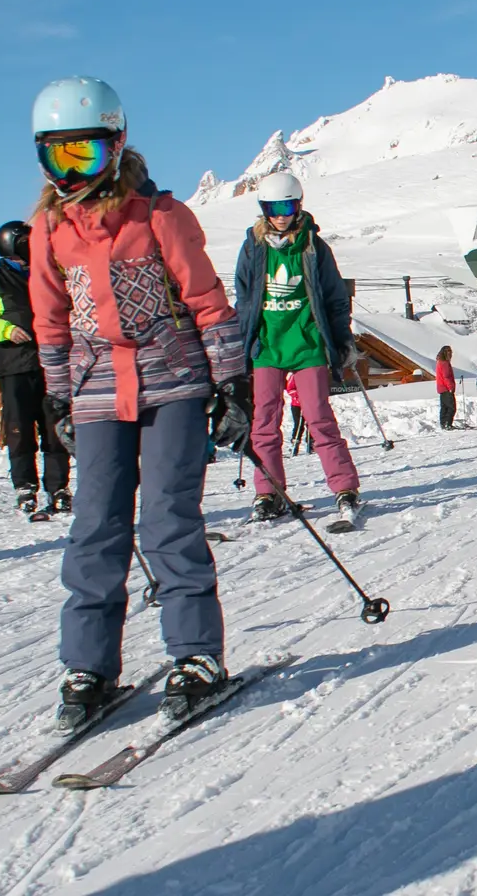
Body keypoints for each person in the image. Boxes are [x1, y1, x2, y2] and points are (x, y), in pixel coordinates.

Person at [26, 76, 250, 724]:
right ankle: (88, 667)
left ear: (116, 147)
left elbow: (209, 304)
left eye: (85, 155)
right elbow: (50, 324)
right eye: (57, 157)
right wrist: (58, 398)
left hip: (172, 382)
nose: (72, 173)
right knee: (95, 525)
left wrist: (230, 382)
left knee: (166, 518)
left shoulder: (161, 217)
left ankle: (196, 655)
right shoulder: (48, 230)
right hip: (96, 392)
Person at [233, 172, 362, 527]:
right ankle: (268, 492)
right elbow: (244, 300)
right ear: (264, 209)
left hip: (307, 343)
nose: (281, 215)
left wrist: (342, 340)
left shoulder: (313, 247)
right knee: (263, 422)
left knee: (319, 417)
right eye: (273, 208)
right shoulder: (253, 248)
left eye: (287, 206)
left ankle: (345, 487)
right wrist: (241, 345)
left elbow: (335, 299)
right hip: (268, 346)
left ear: (298, 206)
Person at [0, 220, 71, 515]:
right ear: (12, 244)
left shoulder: (49, 274)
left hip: (52, 363)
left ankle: (59, 486)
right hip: (15, 366)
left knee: (55, 429)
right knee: (19, 430)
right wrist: (5, 330)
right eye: (27, 242)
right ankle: (25, 486)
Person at [435, 345, 458, 429]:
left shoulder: (439, 362)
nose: (451, 354)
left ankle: (443, 423)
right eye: (449, 352)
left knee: (444, 407)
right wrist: (451, 387)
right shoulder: (444, 363)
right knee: (451, 407)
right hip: (446, 388)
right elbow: (446, 376)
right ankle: (448, 424)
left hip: (441, 388)